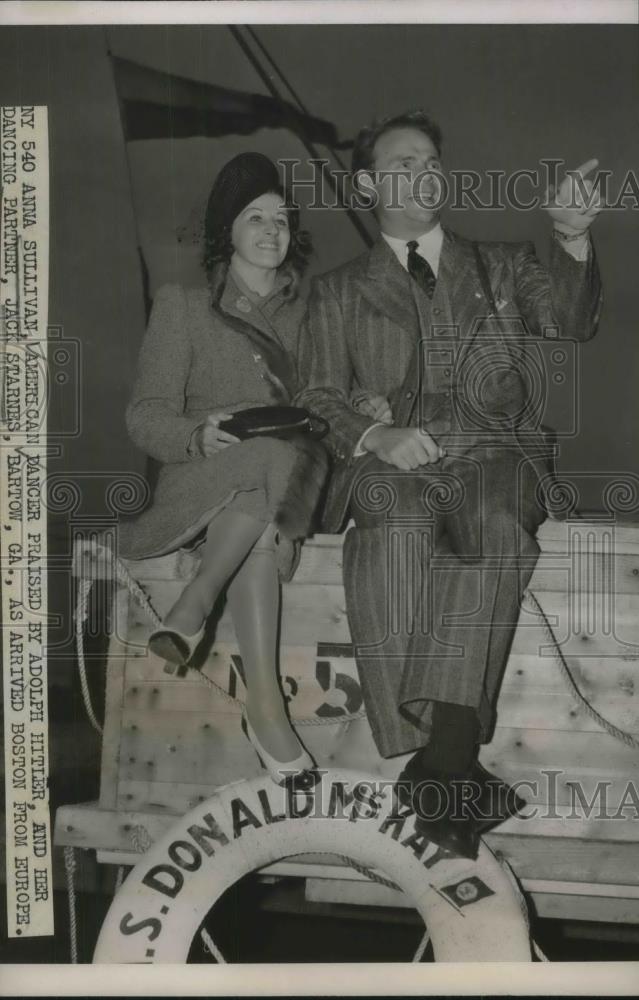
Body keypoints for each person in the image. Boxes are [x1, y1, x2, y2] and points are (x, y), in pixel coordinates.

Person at [296, 110, 603, 857]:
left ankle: (441, 757)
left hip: (496, 449)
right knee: (391, 526)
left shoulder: (502, 264)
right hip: (394, 458)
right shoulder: (337, 291)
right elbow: (315, 394)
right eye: (405, 161)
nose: (425, 172)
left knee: (496, 528)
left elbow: (569, 322)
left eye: (433, 161)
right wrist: (375, 435)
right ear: (367, 183)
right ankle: (438, 759)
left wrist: (569, 238)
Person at [118, 152, 333, 787]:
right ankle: (262, 702)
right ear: (227, 233)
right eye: (254, 217)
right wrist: (195, 432)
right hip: (201, 482)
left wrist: (361, 405)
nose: (273, 230)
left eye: (282, 219)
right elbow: (144, 416)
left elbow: (326, 403)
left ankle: (200, 613)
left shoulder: (315, 312)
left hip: (280, 486)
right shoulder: (184, 306)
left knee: (275, 466)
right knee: (268, 461)